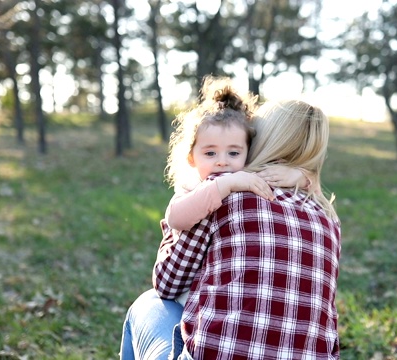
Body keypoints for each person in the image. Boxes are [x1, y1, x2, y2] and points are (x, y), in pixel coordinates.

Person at [120, 98, 340, 360]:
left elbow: (168, 283)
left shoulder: (224, 192)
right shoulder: (327, 217)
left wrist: (174, 227)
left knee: (148, 304)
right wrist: (307, 177)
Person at [162, 76, 310, 306]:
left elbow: (305, 180)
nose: (222, 162)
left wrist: (300, 176)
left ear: (248, 153)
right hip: (187, 284)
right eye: (210, 154)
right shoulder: (194, 183)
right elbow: (175, 217)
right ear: (191, 157)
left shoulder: (245, 175)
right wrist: (224, 186)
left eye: (233, 153)